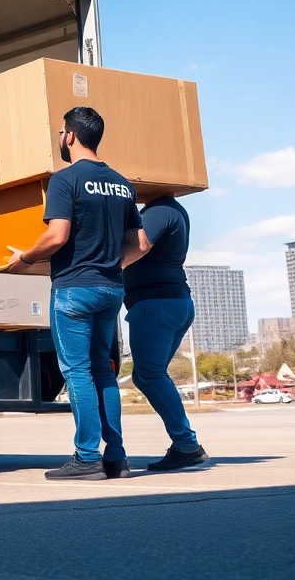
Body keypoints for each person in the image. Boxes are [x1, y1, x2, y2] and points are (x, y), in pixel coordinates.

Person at [7, 106, 149, 481]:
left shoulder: (64, 180)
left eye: (60, 133)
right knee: (103, 370)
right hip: (110, 289)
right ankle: (116, 456)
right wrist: (112, 266)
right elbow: (142, 244)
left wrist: (24, 258)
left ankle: (86, 457)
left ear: (69, 135)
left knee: (78, 373)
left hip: (74, 289)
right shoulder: (122, 184)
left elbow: (57, 236)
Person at [123, 193, 210, 471]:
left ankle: (187, 445)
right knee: (147, 374)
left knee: (149, 374)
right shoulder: (169, 210)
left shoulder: (160, 209)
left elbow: (142, 244)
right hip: (170, 302)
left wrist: (102, 268)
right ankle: (185, 444)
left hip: (155, 303)